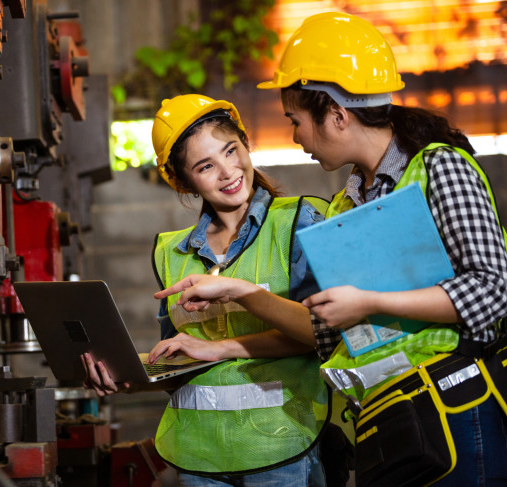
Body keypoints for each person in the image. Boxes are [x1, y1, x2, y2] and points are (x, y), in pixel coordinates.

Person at [162, 12, 507, 486]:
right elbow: (325, 334)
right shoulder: (347, 204)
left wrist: (370, 303)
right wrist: (237, 295)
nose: (294, 136)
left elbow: (491, 290)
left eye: (296, 120)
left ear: (337, 115)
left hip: (456, 406)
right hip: (389, 416)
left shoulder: (440, 168)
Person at [82, 94, 331, 486]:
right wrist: (130, 377)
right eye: (206, 166)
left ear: (246, 143)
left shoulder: (298, 222)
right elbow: (180, 362)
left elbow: (321, 333)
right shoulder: (170, 252)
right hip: (199, 457)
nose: (228, 171)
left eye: (231, 151)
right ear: (184, 181)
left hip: (284, 448)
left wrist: (221, 346)